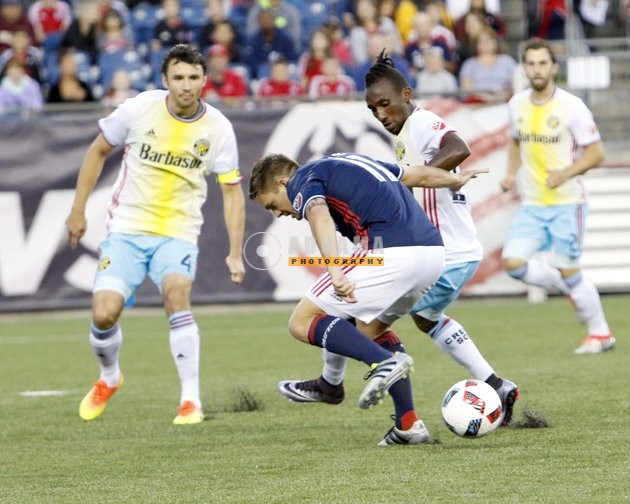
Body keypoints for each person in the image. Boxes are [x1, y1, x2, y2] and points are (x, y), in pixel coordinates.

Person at [278, 50, 520, 427]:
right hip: (449, 250)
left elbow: (458, 148)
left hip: (444, 249)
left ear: (407, 95)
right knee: (421, 318)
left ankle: (350, 390)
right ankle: (493, 385)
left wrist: (410, 185)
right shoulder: (406, 135)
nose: (380, 114)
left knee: (361, 325)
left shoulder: (422, 122)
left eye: (385, 104)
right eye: (373, 109)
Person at [250, 151, 485, 445]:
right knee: (369, 329)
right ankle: (408, 425)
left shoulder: (302, 179)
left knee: (302, 321)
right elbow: (417, 175)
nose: (277, 214)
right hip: (433, 255)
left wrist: (335, 271)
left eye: (272, 205)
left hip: (391, 253)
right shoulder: (350, 161)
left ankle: (371, 367)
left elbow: (319, 215)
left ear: (283, 182)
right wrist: (454, 179)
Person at [65, 44, 246, 425]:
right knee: (103, 314)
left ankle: (191, 401)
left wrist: (234, 251)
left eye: (193, 77)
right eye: (178, 77)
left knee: (177, 294)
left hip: (178, 230)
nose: (186, 85)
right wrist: (78, 209)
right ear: (165, 80)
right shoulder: (138, 109)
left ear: (204, 80)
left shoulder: (218, 128)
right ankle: (109, 377)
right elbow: (97, 151)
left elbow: (232, 192)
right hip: (127, 228)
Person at [500, 38, 614, 355]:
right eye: (531, 63)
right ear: (524, 68)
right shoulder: (516, 104)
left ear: (553, 67)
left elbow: (597, 153)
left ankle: (600, 333)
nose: (536, 69)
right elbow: (515, 141)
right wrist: (510, 174)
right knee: (513, 263)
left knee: (569, 268)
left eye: (542, 63)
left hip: (568, 201)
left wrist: (566, 173)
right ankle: (567, 285)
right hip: (532, 203)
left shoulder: (572, 107)